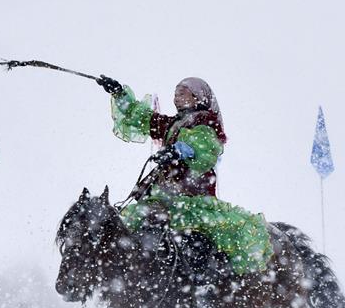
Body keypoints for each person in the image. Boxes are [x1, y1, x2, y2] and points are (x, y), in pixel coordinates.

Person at [96, 75, 272, 276]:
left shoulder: (206, 121)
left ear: (198, 97)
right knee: (131, 235)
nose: (176, 98)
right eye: (175, 94)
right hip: (165, 198)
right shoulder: (172, 124)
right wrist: (119, 93)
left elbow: (205, 148)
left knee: (195, 245)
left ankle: (203, 284)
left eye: (182, 93)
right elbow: (140, 116)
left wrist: (179, 150)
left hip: (191, 201)